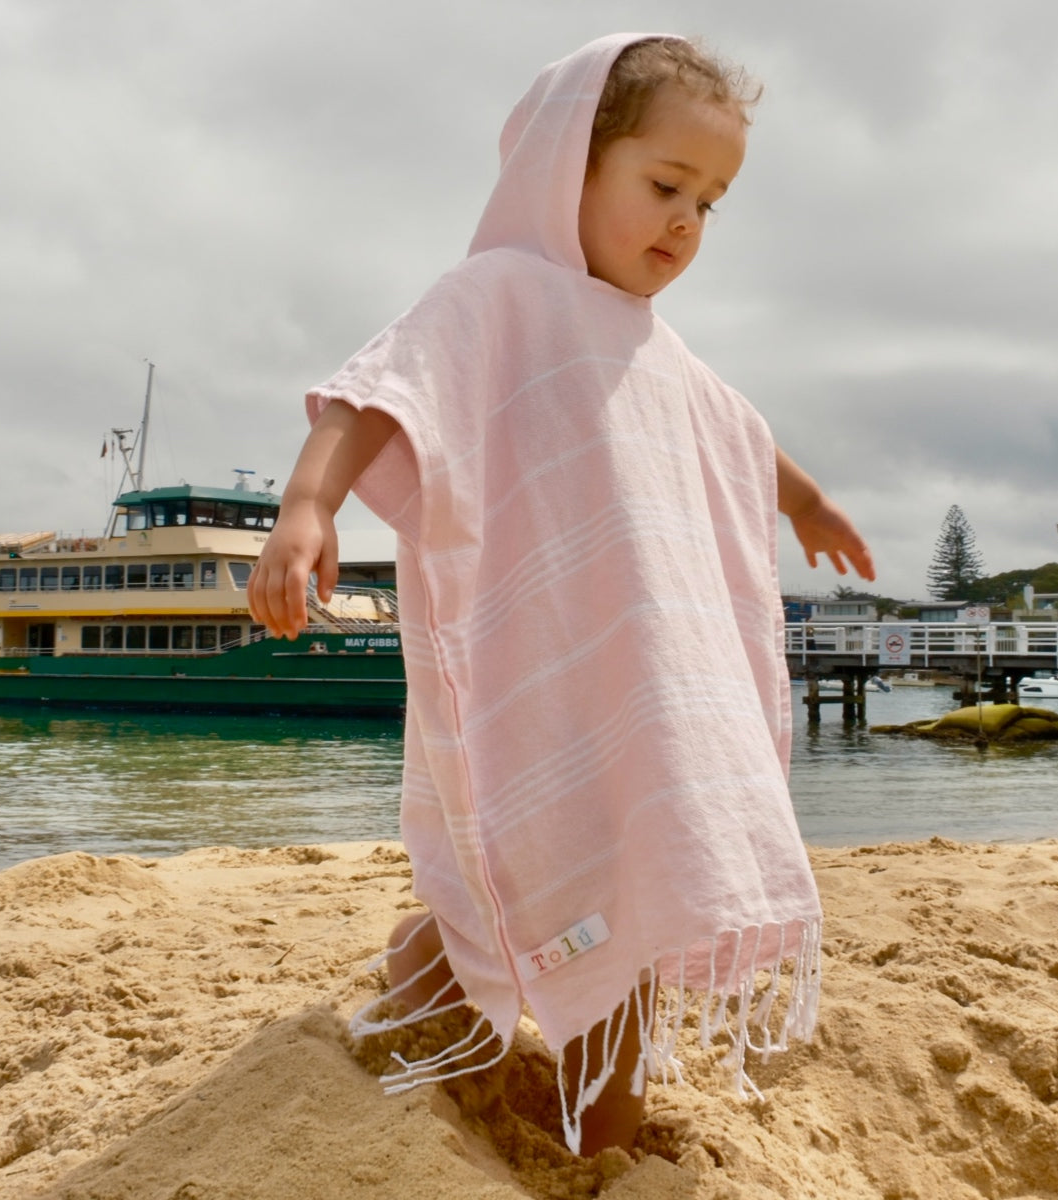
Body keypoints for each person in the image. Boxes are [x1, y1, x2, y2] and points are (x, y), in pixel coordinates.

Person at [248, 32, 875, 1158]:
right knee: (528, 864)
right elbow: (375, 398)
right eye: (664, 184)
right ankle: (439, 982)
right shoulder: (499, 298)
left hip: (638, 690)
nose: (685, 222)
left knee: (624, 887)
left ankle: (606, 1139)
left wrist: (809, 502)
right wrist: (308, 507)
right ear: (568, 165)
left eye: (712, 203)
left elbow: (739, 437)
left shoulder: (662, 353)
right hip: (534, 676)